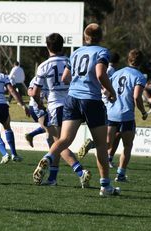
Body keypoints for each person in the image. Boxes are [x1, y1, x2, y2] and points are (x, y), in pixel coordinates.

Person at [32, 23, 120, 196]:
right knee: (102, 145)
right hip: (91, 100)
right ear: (100, 37)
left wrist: (78, 82)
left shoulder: (76, 53)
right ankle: (105, 186)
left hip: (72, 99)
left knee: (64, 139)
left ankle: (47, 158)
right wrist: (111, 91)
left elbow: (65, 78)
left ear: (85, 37)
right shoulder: (102, 52)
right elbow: (101, 74)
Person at [32, 33, 91, 186]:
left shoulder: (43, 66)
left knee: (58, 143)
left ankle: (80, 171)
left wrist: (39, 105)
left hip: (56, 105)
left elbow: (35, 92)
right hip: (74, 103)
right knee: (56, 142)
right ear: (63, 46)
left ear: (47, 46)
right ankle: (52, 179)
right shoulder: (71, 61)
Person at [106, 49, 148, 182]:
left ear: (128, 59)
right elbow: (137, 97)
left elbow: (107, 93)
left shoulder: (117, 73)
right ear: (141, 62)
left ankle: (93, 144)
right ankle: (120, 174)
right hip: (126, 115)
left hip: (111, 113)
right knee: (127, 146)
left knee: (106, 143)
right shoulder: (140, 76)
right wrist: (143, 112)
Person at [0, 53, 29, 164]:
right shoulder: (2, 75)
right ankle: (14, 154)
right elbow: (12, 91)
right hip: (3, 105)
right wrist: (23, 105)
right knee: (7, 128)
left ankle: (4, 154)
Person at [25, 77, 52, 148]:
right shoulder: (37, 78)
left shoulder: (51, 78)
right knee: (50, 130)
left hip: (41, 107)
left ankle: (31, 135)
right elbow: (29, 92)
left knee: (50, 127)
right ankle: (52, 154)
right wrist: (36, 97)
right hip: (36, 107)